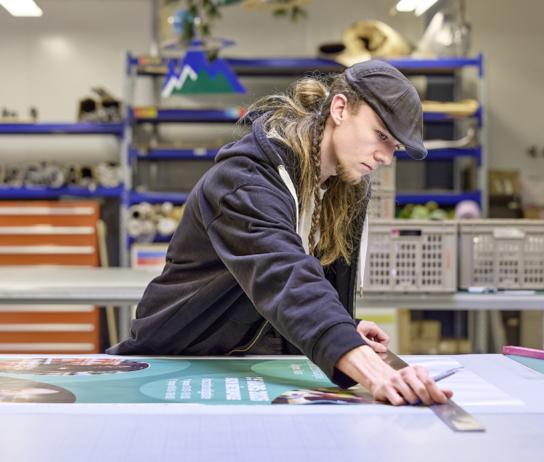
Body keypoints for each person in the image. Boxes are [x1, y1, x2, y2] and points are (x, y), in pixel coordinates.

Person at [108, 60, 453, 406]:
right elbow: (284, 276)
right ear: (340, 109)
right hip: (176, 364)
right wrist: (360, 358)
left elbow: (297, 296)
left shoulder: (344, 188)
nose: (386, 158)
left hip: (252, 365)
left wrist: (345, 327)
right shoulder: (244, 181)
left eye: (395, 146)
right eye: (381, 135)